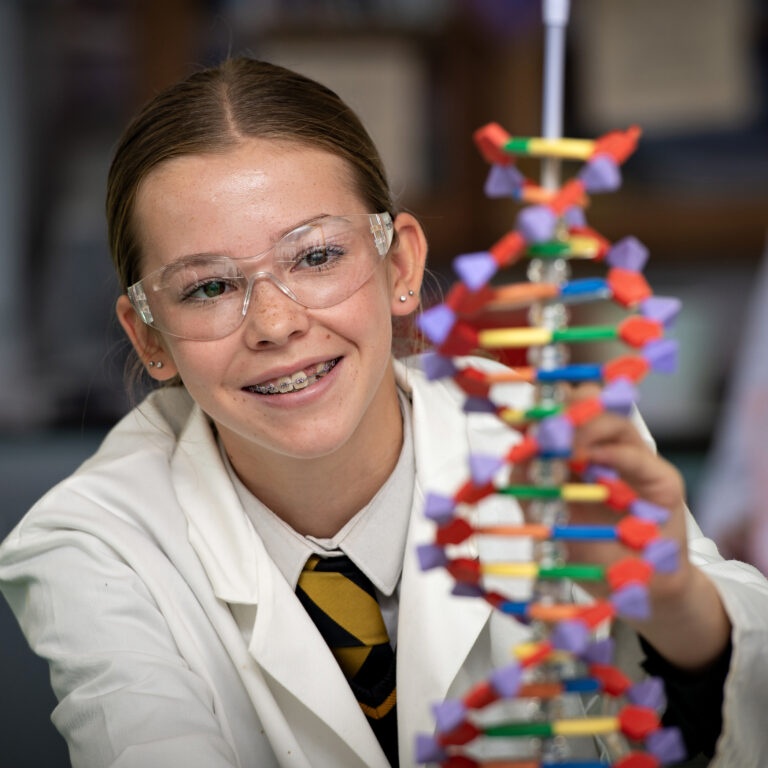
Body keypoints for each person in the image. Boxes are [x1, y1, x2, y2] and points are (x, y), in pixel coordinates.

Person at [0, 57, 766, 768]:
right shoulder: (93, 541)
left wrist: (675, 607)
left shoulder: (554, 440)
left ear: (399, 265)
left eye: (316, 256)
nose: (274, 323)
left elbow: (736, 717)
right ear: (149, 336)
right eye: (208, 287)